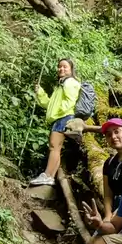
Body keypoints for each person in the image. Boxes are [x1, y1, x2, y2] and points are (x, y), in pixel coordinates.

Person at [28, 58, 83, 187]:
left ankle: (47, 175)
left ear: (71, 70)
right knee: (56, 148)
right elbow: (49, 104)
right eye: (60, 67)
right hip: (60, 117)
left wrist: (59, 113)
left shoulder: (70, 82)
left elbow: (70, 101)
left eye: (65, 67)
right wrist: (40, 93)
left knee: (54, 147)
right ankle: (50, 176)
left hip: (63, 117)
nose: (61, 69)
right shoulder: (61, 85)